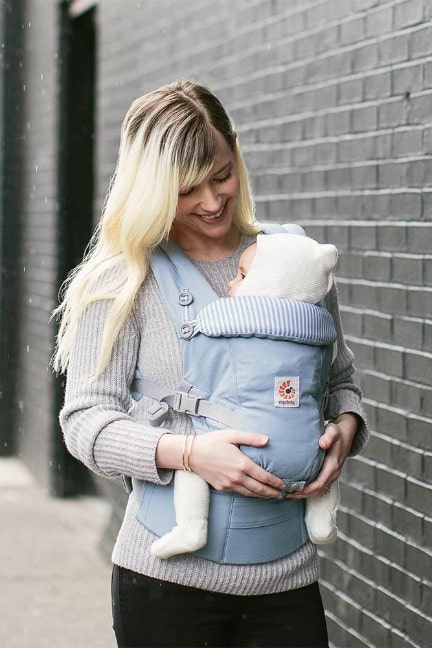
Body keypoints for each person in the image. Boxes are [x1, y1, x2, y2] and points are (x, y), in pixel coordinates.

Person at [53, 79, 368, 648]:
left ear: (236, 149)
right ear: (151, 188)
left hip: (286, 578)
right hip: (166, 584)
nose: (211, 201)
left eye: (221, 174)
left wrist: (345, 431)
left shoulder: (291, 262)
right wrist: (191, 453)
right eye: (186, 188)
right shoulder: (125, 279)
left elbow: (340, 381)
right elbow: (84, 421)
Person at [148, 232, 341, 562]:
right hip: (308, 455)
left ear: (268, 284)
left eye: (241, 276)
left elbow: (200, 327)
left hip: (243, 448)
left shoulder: (228, 317)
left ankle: (192, 526)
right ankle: (322, 519)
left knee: (193, 457)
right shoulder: (319, 329)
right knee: (318, 459)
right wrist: (340, 430)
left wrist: (188, 453)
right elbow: (334, 378)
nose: (230, 284)